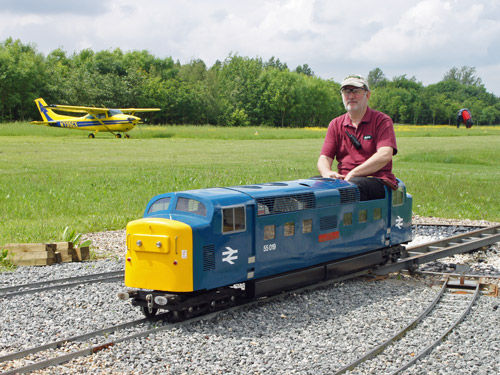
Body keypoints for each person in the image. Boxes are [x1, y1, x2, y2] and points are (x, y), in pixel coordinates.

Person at [317, 74, 398, 201]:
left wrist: (354, 173)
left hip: (375, 180)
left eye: (356, 91)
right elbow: (324, 158)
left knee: (349, 190)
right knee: (310, 189)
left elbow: (385, 155)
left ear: (368, 94)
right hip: (345, 180)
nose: (351, 96)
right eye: (346, 91)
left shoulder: (382, 120)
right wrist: (326, 173)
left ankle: (339, 220)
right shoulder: (335, 124)